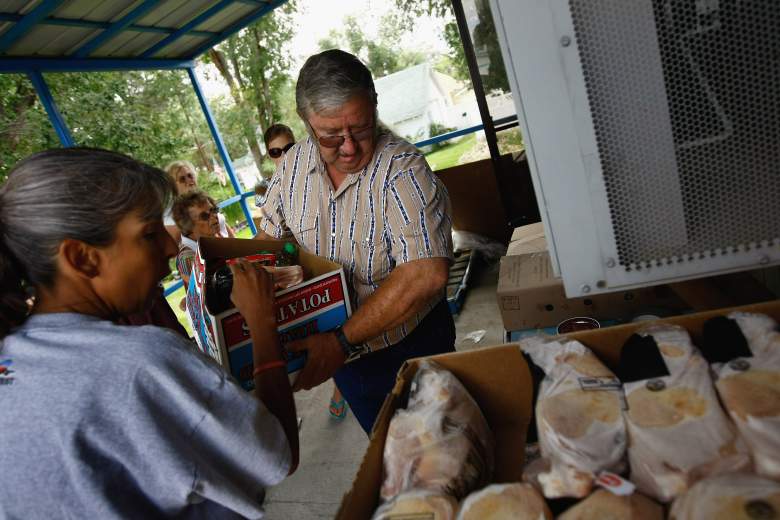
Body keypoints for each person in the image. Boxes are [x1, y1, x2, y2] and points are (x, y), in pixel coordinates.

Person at [0, 148, 298, 518]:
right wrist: (262, 324)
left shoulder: (11, 358)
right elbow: (277, 456)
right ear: (82, 258)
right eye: (149, 234)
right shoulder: (142, 362)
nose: (171, 247)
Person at [255, 49, 455, 434]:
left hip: (412, 348)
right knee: (388, 457)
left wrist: (341, 341)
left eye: (361, 129)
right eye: (331, 135)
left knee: (444, 454)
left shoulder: (402, 169)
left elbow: (426, 274)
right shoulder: (293, 167)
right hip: (343, 359)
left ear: (374, 107)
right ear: (307, 124)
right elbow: (270, 239)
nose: (348, 147)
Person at [263, 123, 350, 420]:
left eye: (289, 148)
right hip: (306, 276)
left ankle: (342, 388)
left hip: (338, 267)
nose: (284, 155)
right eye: (276, 151)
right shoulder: (276, 187)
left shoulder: (318, 168)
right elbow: (269, 239)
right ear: (269, 155)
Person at [164, 160, 235, 243]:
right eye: (182, 179)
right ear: (173, 186)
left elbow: (225, 229)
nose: (189, 180)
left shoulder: (205, 200)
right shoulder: (172, 215)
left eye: (190, 175)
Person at [172, 190, 222, 288]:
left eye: (213, 210)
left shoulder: (211, 239)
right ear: (188, 224)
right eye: (204, 216)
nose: (214, 217)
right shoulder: (186, 258)